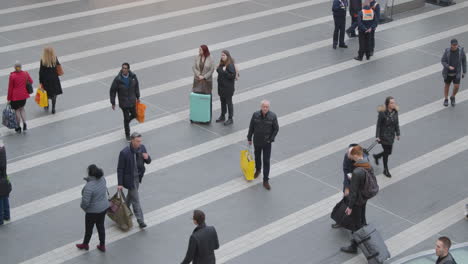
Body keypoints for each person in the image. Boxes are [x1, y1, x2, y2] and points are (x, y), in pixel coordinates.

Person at [340, 145, 371, 254]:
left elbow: (353, 193)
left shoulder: (358, 171)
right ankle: (362, 238)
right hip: (363, 196)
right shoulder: (366, 163)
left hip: (357, 198)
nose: (350, 158)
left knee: (356, 223)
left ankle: (357, 246)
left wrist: (349, 207)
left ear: (355, 155)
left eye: (351, 156)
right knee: (360, 220)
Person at [117, 132, 151, 228]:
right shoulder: (124, 152)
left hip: (138, 177)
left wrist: (147, 158)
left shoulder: (142, 147)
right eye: (137, 141)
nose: (139, 143)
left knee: (131, 196)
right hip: (129, 180)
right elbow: (120, 169)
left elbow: (148, 161)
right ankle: (140, 220)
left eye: (140, 141)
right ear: (132, 140)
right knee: (136, 199)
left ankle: (123, 211)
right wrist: (120, 183)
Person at [247, 100, 279, 190]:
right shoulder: (255, 115)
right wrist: (249, 138)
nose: (265, 108)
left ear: (269, 108)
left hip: (267, 143)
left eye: (267, 107)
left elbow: (276, 129)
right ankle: (258, 170)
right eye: (263, 106)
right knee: (257, 157)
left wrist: (271, 139)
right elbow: (251, 127)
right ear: (261, 107)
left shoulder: (273, 116)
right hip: (257, 141)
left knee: (266, 161)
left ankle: (265, 180)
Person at [76, 164, 109, 252]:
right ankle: (102, 245)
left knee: (89, 229)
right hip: (103, 208)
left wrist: (84, 208)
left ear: (90, 174)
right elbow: (96, 185)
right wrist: (89, 180)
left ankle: (85, 244)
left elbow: (85, 202)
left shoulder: (89, 187)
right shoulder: (103, 179)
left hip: (92, 212)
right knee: (101, 227)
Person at [110, 63, 141, 141]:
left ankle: (126, 121)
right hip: (124, 103)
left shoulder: (133, 77)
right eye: (123, 68)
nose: (123, 69)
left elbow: (136, 87)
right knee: (126, 117)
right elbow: (112, 91)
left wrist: (138, 97)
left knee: (135, 115)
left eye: (125, 68)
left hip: (132, 101)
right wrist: (113, 103)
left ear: (128, 69)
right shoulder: (118, 79)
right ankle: (127, 134)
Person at [332, 143, 358, 229]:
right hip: (348, 183)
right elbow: (345, 170)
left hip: (358, 186)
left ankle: (357, 224)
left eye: (350, 154)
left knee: (356, 206)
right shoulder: (347, 156)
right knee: (345, 203)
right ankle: (341, 221)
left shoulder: (363, 160)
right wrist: (347, 187)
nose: (348, 156)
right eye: (348, 153)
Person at [373, 96, 400, 178]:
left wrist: (398, 133)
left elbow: (396, 123)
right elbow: (378, 125)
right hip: (383, 136)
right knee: (386, 152)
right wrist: (377, 136)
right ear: (387, 104)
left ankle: (377, 156)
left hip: (391, 136)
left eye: (394, 102)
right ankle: (386, 169)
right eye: (392, 103)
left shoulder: (395, 112)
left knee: (388, 152)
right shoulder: (382, 113)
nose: (393, 104)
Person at [7, 62, 33, 133]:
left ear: (14, 67)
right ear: (21, 67)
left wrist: (9, 98)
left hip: (15, 97)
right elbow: (31, 81)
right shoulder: (25, 73)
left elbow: (10, 88)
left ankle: (18, 126)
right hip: (24, 95)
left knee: (17, 111)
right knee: (22, 109)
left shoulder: (12, 76)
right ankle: (25, 123)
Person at [441, 39, 466, 107]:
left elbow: (464, 61)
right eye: (453, 45)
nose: (455, 46)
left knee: (456, 86)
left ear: (457, 44)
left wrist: (464, 71)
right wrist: (448, 66)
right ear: (451, 45)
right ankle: (446, 99)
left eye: (456, 45)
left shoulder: (461, 51)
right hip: (448, 73)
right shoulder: (447, 51)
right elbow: (443, 61)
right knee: (447, 86)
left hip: (457, 73)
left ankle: (452, 96)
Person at [39, 46, 63, 114]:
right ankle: (53, 108)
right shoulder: (55, 59)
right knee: (54, 94)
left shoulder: (43, 60)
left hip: (46, 80)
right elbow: (58, 67)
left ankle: (46, 105)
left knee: (46, 93)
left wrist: (40, 81)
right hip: (54, 79)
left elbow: (41, 72)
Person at [215, 50, 236, 126]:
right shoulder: (222, 63)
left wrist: (225, 71)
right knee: (222, 102)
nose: (222, 56)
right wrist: (219, 69)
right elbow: (219, 70)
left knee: (229, 103)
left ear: (227, 56)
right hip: (221, 87)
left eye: (224, 55)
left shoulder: (230, 65)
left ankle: (230, 118)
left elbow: (232, 76)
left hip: (228, 88)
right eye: (221, 55)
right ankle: (223, 116)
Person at [0, 142, 11, 226]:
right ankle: (7, 216)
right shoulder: (3, 148)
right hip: (4, 177)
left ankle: (0, 220)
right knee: (5, 196)